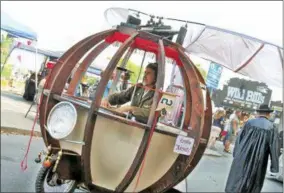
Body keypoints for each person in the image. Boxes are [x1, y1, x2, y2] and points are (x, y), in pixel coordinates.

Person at [225, 104, 279, 193]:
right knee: (254, 180)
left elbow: (240, 139)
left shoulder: (249, 123)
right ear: (268, 114)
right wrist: (274, 166)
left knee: (239, 177)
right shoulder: (272, 127)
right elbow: (274, 147)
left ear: (258, 113)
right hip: (260, 158)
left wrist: (236, 153)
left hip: (243, 155)